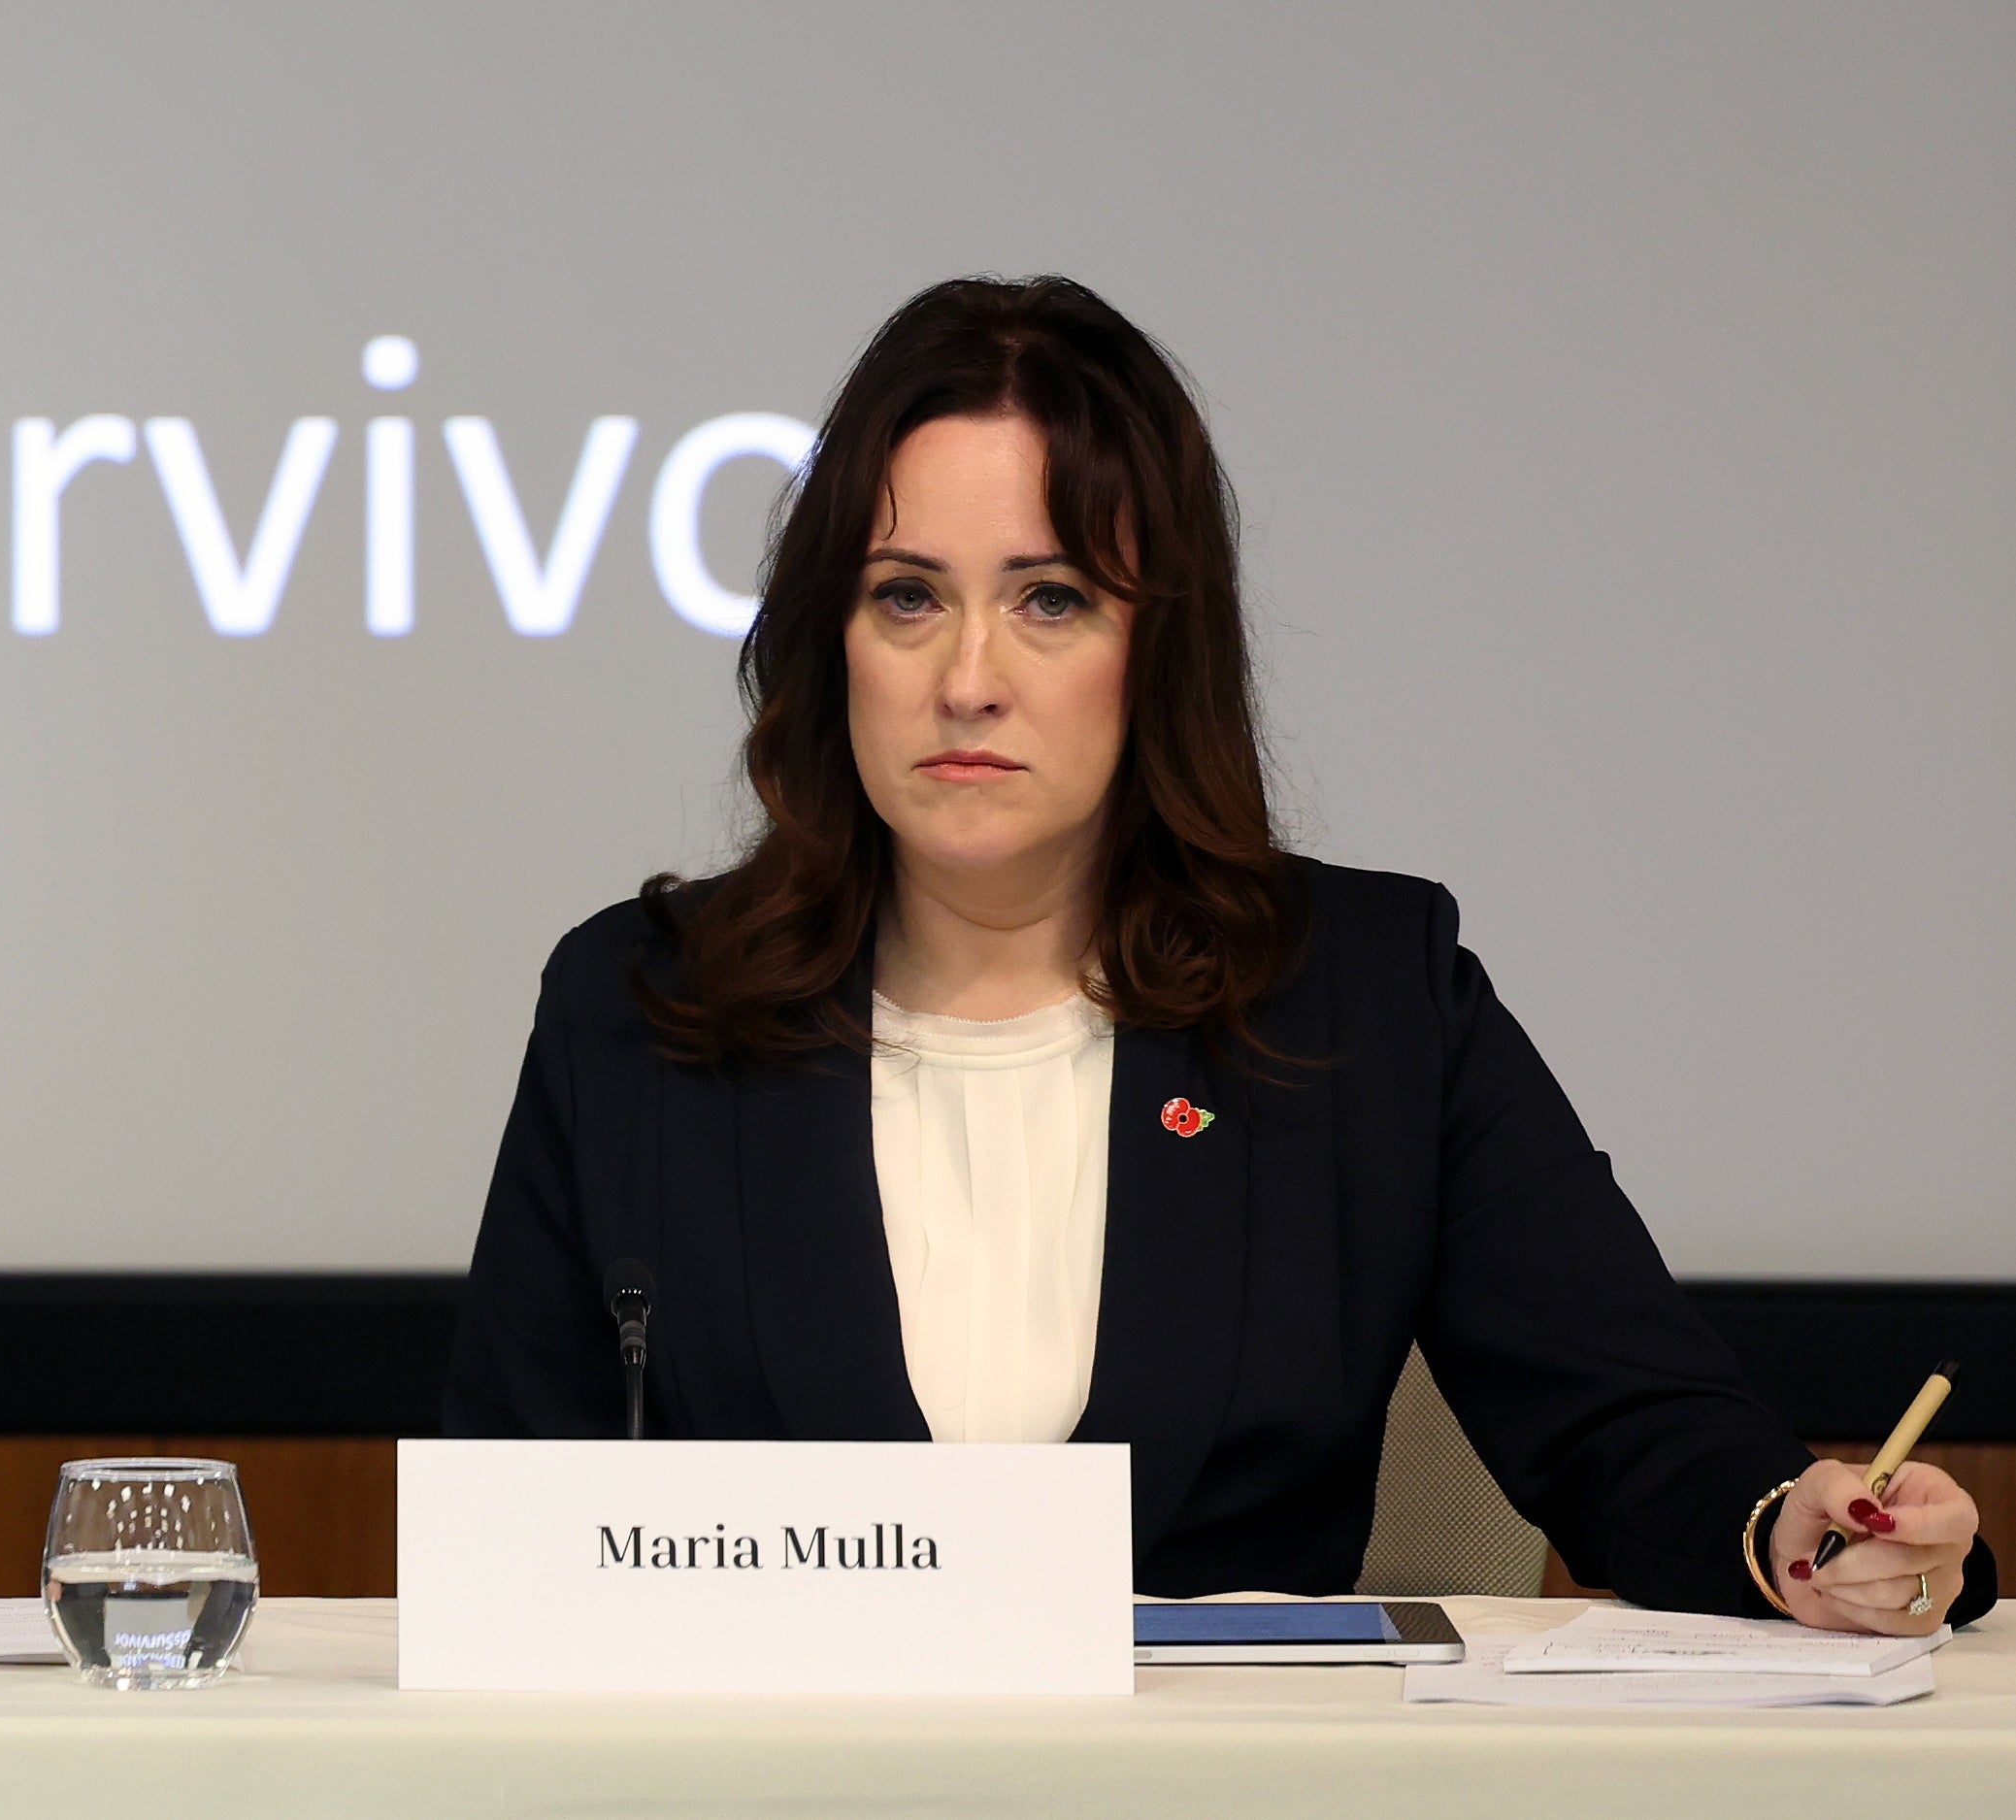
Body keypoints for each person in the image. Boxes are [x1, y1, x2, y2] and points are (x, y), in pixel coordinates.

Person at [447, 276, 1987, 1628]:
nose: (966, 679)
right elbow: (502, 1539)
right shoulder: (640, 1007)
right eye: (905, 598)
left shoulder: (1365, 997)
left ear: (1155, 649)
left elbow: (1630, 1429)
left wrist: (1795, 1537)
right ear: (823, 641)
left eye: (1049, 600)